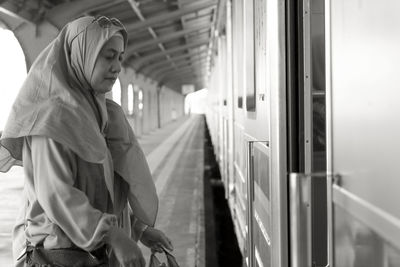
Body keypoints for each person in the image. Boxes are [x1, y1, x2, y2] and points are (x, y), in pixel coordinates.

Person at [0, 16, 172, 267]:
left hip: (88, 254)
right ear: (83, 55)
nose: (117, 67)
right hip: (56, 256)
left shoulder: (100, 115)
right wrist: (112, 235)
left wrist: (139, 229)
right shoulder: (52, 118)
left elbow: (106, 187)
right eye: (108, 56)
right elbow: (57, 194)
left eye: (120, 57)